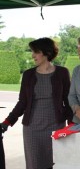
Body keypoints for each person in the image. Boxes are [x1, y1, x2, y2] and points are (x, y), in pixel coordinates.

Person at [0, 37, 73, 169]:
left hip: (56, 126)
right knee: (34, 164)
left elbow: (68, 100)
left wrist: (72, 124)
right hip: (32, 128)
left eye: (36, 52)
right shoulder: (28, 75)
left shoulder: (62, 73)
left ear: (47, 52)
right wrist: (7, 122)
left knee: (57, 164)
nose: (33, 55)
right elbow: (22, 102)